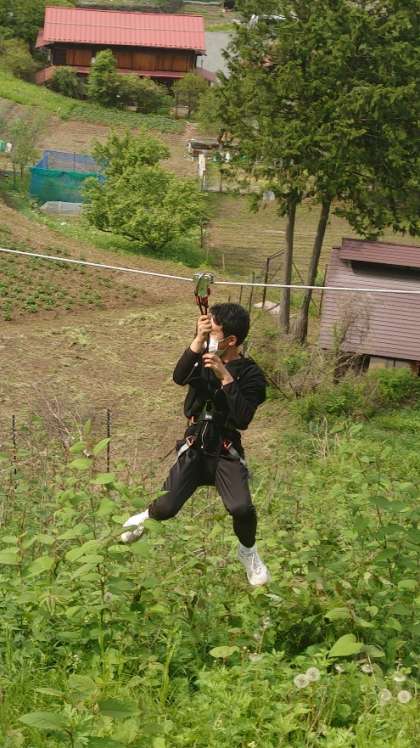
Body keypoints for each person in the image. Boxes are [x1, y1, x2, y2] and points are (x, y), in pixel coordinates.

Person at [121, 303, 270, 586]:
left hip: (226, 448)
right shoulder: (201, 358)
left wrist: (225, 377)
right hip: (196, 445)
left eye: (213, 332)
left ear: (231, 340)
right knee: (166, 507)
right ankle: (145, 516)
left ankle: (248, 552)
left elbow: (243, 418)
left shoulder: (251, 374)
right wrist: (198, 340)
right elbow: (179, 377)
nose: (209, 336)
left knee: (242, 508)